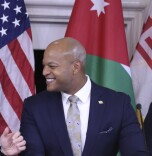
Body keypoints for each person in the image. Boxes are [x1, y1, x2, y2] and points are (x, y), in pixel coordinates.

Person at [19, 37, 147, 156]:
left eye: (52, 66)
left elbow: (136, 153)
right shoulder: (34, 107)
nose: (44, 72)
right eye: (44, 65)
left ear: (75, 67)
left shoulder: (118, 104)